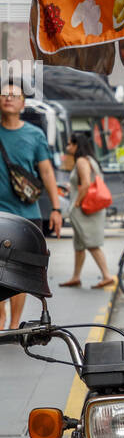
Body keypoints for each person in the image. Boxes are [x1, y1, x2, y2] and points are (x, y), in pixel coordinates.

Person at [0, 86, 63, 329]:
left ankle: (15, 325)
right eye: (3, 94)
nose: (7, 98)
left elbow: (46, 172)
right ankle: (1, 318)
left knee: (18, 274)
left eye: (14, 95)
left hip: (26, 217)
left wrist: (56, 209)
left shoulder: (35, 135)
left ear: (23, 104)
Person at [57, 132, 115, 289]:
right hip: (90, 207)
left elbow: (87, 184)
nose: (68, 147)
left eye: (70, 144)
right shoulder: (90, 160)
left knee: (90, 242)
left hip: (84, 208)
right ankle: (76, 277)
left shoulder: (82, 161)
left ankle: (107, 275)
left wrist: (76, 203)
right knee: (80, 243)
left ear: (77, 145)